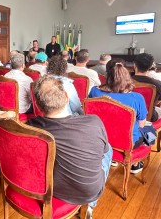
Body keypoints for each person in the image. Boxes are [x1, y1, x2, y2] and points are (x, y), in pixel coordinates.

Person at [27, 76, 110, 219]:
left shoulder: (31, 126)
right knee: (108, 150)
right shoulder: (94, 122)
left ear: (38, 106)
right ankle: (89, 205)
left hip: (47, 187)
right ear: (66, 97)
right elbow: (102, 153)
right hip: (89, 192)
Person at [89, 59, 149, 173]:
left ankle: (112, 158)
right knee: (148, 131)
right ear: (128, 78)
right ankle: (135, 163)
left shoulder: (95, 91)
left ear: (107, 77)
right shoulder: (137, 98)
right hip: (127, 141)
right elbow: (141, 124)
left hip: (100, 137)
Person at [132, 53, 161, 122]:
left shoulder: (124, 81)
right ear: (150, 67)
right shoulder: (158, 84)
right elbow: (158, 101)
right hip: (148, 115)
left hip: (128, 113)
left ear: (134, 65)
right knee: (159, 110)